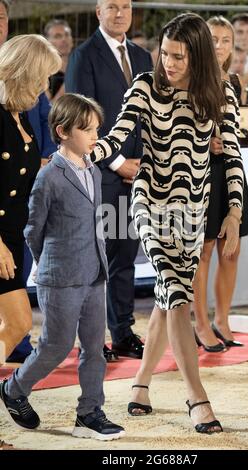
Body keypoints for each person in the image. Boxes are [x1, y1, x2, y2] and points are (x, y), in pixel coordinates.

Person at [93, 13, 244, 433]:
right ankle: (197, 397)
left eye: (178, 56)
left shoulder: (220, 96)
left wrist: (233, 213)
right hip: (150, 204)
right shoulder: (144, 86)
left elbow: (232, 157)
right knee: (177, 293)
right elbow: (118, 133)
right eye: (164, 53)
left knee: (165, 298)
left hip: (193, 212)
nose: (168, 63)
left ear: (196, 57)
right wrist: (90, 149)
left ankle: (140, 384)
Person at [0, 93, 125, 441]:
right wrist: (52, 260)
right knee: (55, 346)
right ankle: (14, 388)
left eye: (97, 129)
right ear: (63, 131)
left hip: (94, 273)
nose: (95, 136)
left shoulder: (95, 171)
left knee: (94, 347)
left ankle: (89, 412)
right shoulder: (48, 177)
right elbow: (32, 229)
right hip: (60, 276)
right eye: (88, 130)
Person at [65, 0, 153, 362]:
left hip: (138, 174)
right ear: (98, 11)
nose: (120, 13)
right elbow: (79, 116)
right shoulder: (83, 56)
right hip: (99, 173)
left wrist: (144, 163)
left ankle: (122, 333)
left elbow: (151, 114)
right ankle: (90, 337)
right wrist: (118, 162)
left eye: (126, 6)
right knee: (93, 260)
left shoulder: (144, 57)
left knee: (124, 258)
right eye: (112, 6)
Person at [192, 16, 248, 352]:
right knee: (202, 251)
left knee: (232, 249)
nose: (219, 46)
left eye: (226, 40)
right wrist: (206, 144)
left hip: (231, 170)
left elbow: (234, 129)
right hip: (201, 173)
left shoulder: (233, 80)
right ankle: (200, 324)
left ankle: (223, 320)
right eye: (213, 39)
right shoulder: (189, 78)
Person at [0, 34, 61, 368]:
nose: (44, 86)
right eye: (41, 77)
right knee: (18, 323)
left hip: (12, 235)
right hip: (0, 242)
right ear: (23, 74)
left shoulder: (18, 114)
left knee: (18, 323)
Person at [44, 19, 74, 103]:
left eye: (67, 35)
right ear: (48, 42)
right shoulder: (43, 73)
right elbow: (49, 109)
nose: (64, 39)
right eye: (58, 36)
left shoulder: (83, 66)